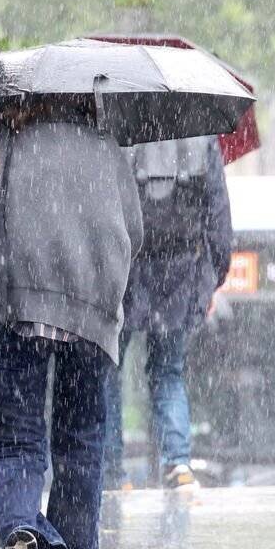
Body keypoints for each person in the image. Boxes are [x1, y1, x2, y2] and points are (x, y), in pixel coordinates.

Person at [0, 106, 142, 549]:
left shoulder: (11, 143)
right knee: (81, 448)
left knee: (19, 437)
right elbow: (136, 232)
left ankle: (21, 526)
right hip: (92, 317)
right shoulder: (108, 149)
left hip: (20, 306)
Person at [103, 136, 232, 491]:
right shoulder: (203, 138)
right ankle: (177, 462)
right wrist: (213, 278)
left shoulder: (120, 130)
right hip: (181, 271)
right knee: (168, 372)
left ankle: (113, 472)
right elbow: (218, 217)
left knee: (109, 367)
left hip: (126, 268)